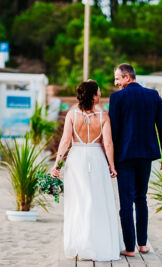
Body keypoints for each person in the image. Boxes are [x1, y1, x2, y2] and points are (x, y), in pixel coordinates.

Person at [51, 80, 122, 261]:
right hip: (96, 159)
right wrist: (111, 165)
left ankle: (79, 244)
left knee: (77, 202)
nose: (99, 95)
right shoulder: (104, 117)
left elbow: (65, 141)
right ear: (93, 96)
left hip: (76, 160)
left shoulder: (72, 115)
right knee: (97, 201)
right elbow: (107, 143)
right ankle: (96, 243)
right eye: (98, 92)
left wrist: (57, 165)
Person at [109, 63, 162, 257]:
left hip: (124, 156)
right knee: (141, 198)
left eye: (118, 78)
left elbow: (113, 130)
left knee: (126, 202)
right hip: (146, 156)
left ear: (127, 77)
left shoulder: (117, 97)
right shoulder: (153, 96)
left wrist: (109, 159)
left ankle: (129, 248)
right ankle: (143, 244)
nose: (116, 82)